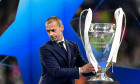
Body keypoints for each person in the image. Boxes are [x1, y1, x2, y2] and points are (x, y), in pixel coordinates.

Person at [39, 16, 101, 84]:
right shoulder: (44, 49)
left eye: (53, 30)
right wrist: (82, 69)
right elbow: (56, 72)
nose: (51, 34)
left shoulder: (73, 46)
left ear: (61, 28)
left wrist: (95, 68)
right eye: (48, 31)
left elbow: (83, 67)